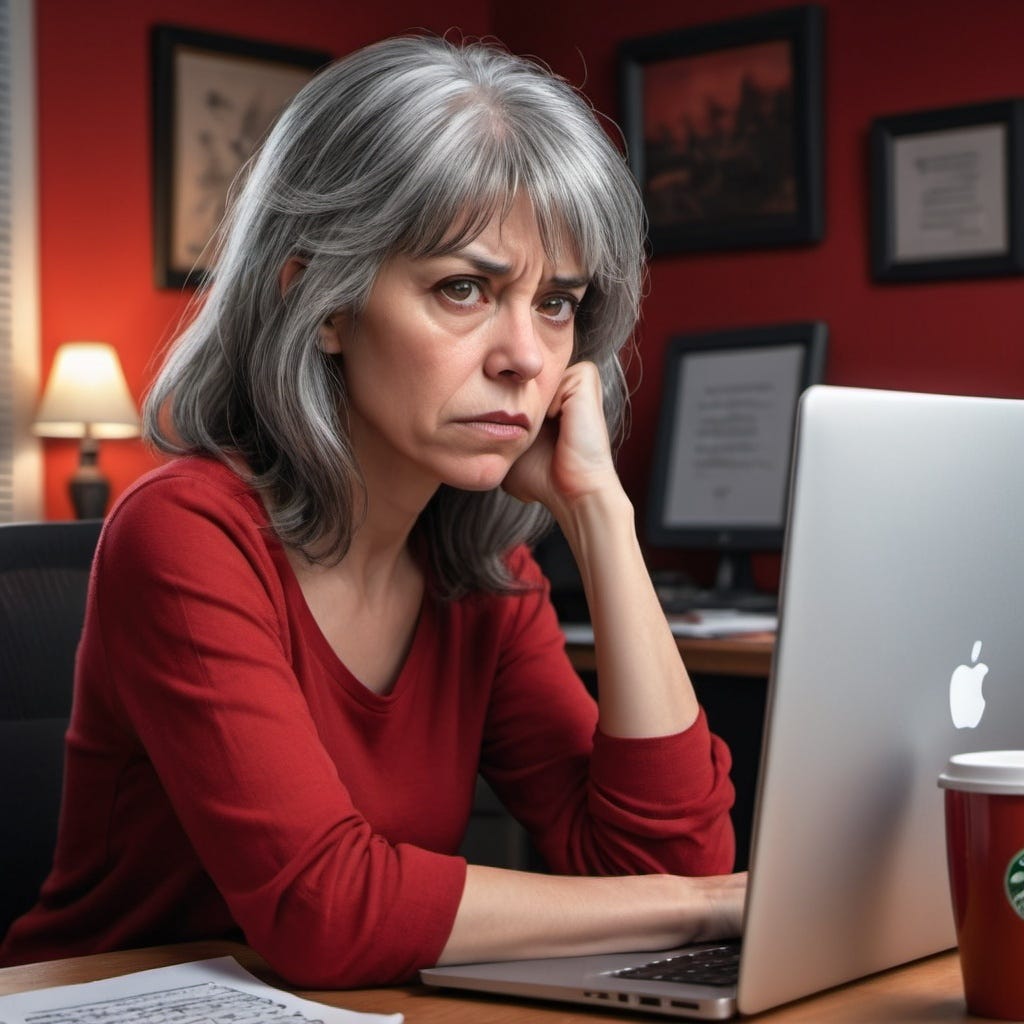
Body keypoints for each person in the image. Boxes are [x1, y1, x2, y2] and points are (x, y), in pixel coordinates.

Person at [0, 34, 745, 986]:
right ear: (323, 303)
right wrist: (713, 899)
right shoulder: (184, 533)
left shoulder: (481, 570)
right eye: (465, 289)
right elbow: (325, 909)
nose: (525, 354)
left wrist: (600, 515)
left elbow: (667, 868)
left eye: (556, 303)